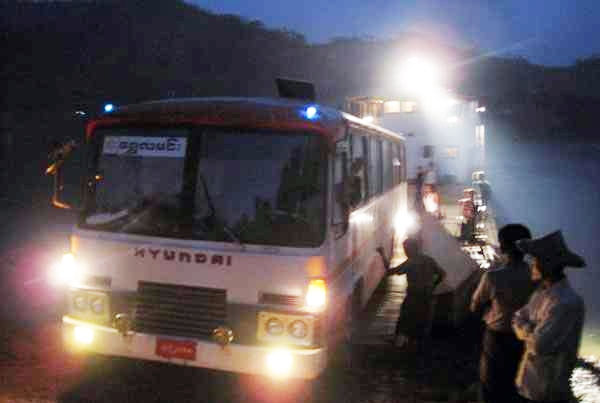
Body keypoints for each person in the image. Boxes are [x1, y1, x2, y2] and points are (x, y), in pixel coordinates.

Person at [512, 231, 585, 403]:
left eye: (535, 260)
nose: (532, 265)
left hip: (548, 389)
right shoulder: (542, 294)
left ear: (545, 264)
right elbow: (517, 317)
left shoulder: (566, 303)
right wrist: (532, 329)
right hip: (531, 385)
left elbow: (538, 346)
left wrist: (526, 327)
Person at [470, 224, 536, 403]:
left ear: (503, 246)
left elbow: (475, 305)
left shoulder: (493, 277)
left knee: (491, 384)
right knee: (518, 385)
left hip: (497, 337)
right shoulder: (536, 277)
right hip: (526, 339)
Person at [377, 238, 446, 351]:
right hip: (427, 297)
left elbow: (390, 272)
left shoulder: (410, 263)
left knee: (405, 319)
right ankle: (419, 349)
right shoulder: (429, 260)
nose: (405, 252)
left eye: (406, 249)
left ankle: (400, 345)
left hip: (413, 296)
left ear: (411, 249)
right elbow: (442, 274)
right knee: (422, 322)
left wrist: (382, 254)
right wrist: (433, 286)